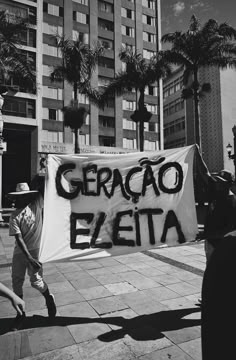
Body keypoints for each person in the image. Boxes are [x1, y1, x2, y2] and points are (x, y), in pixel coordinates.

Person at [8, 182, 56, 331]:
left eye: (23, 196)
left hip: (36, 251)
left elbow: (45, 188)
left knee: (36, 282)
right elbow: (19, 239)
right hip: (21, 253)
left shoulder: (36, 205)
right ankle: (21, 313)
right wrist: (28, 258)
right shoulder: (14, 215)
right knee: (17, 282)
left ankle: (49, 299)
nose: (20, 199)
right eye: (19, 197)